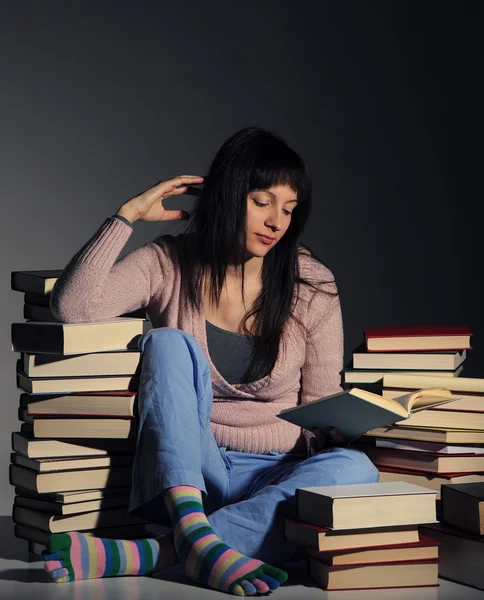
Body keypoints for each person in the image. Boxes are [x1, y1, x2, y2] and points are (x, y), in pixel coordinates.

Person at [41, 127, 379, 596]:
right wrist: (127, 216)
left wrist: (344, 424)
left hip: (276, 473)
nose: (276, 221)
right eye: (263, 201)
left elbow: (320, 401)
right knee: (167, 344)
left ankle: (160, 553)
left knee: (357, 469)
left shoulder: (311, 284)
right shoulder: (168, 262)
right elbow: (73, 306)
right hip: (192, 472)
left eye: (289, 208)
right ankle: (194, 531)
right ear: (227, 195)